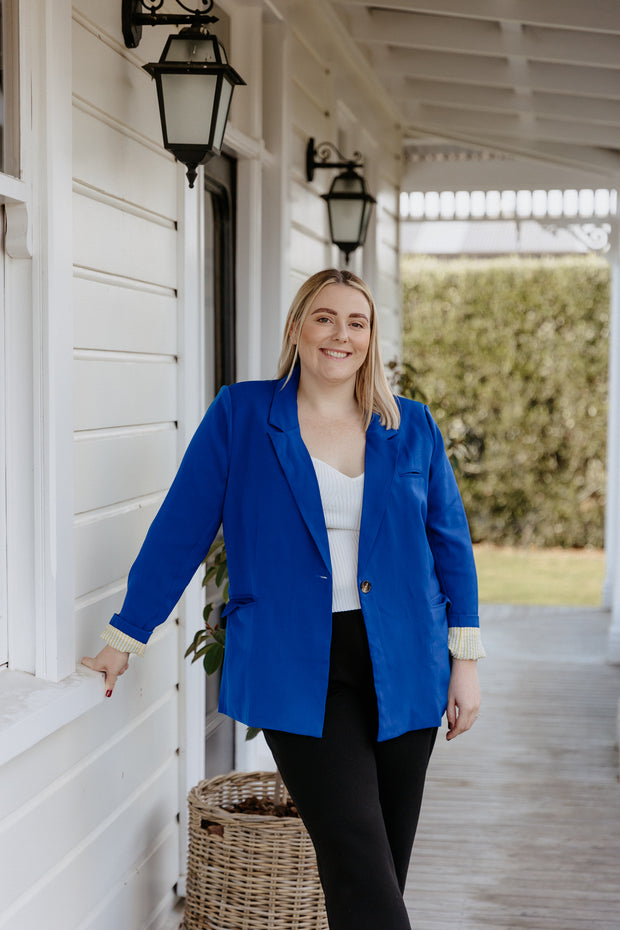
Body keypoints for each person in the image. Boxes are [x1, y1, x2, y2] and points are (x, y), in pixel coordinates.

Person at [83, 268, 485, 930]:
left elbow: (452, 547)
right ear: (298, 327)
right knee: (357, 854)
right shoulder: (242, 415)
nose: (341, 335)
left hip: (406, 665)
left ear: (371, 338)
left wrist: (464, 663)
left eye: (357, 322)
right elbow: (181, 532)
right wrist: (126, 636)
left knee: (379, 870)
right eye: (325, 318)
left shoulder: (410, 426)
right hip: (296, 666)